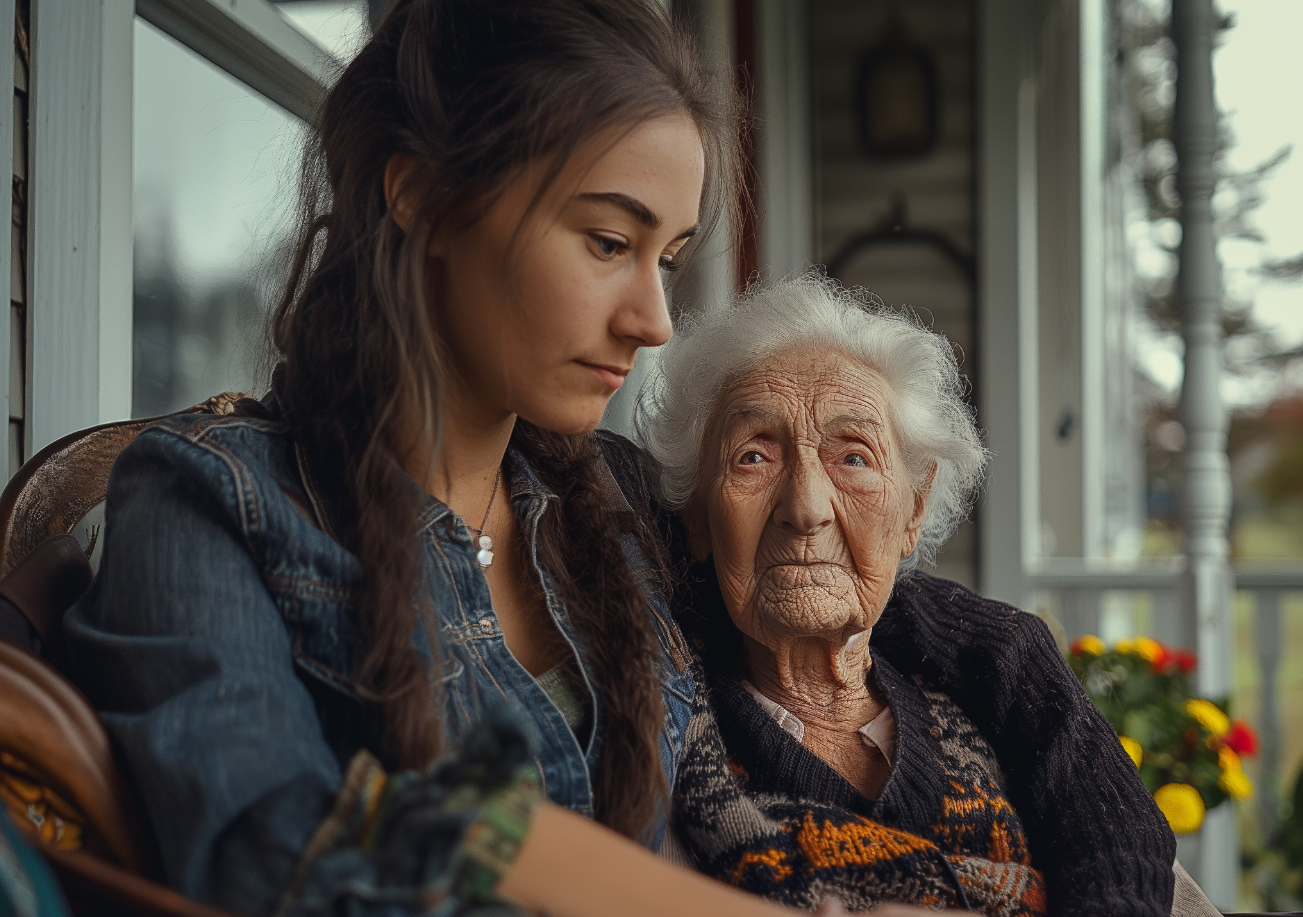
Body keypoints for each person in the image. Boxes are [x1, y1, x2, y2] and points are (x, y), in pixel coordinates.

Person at [63, 4, 937, 917]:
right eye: (608, 242)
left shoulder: (609, 496)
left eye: (667, 260)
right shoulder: (210, 501)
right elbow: (281, 853)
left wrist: (1039, 689)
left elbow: (854, 585)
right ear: (424, 198)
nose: (654, 320)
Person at [637, 274, 1181, 916]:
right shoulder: (666, 718)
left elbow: (1124, 854)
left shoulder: (987, 691)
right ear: (697, 514)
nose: (806, 508)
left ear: (913, 508)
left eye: (855, 457)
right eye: (754, 456)